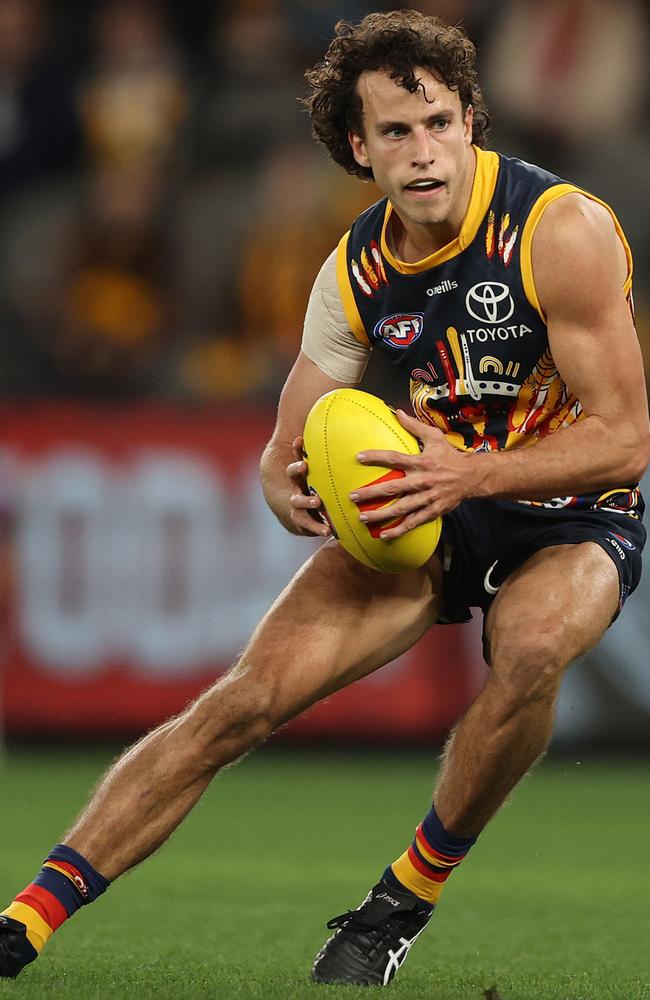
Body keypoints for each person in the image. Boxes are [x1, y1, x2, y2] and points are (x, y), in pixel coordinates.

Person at [1, 9, 649, 988]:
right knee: (238, 704)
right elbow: (296, 419)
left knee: (526, 647)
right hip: (436, 496)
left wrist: (468, 471)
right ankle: (24, 920)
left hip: (574, 503)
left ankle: (401, 899)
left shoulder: (560, 230)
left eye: (436, 122)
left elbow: (627, 439)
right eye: (395, 132)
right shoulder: (353, 269)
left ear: (470, 117)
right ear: (357, 147)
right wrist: (274, 469)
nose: (422, 150)